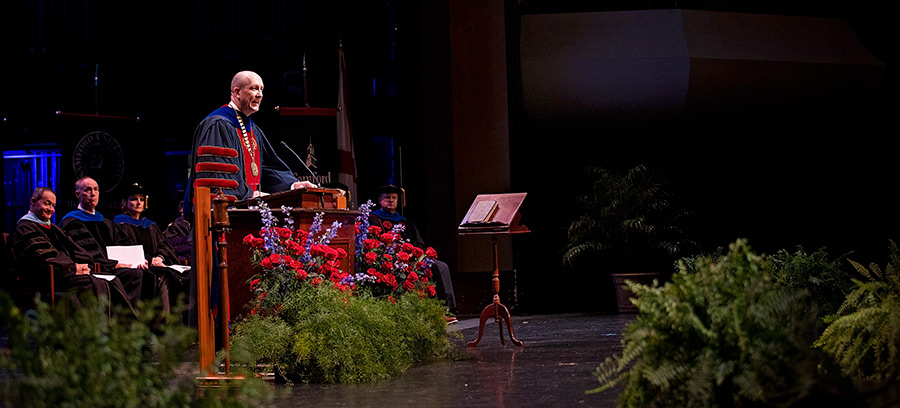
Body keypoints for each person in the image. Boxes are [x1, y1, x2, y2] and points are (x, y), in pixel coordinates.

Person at [186, 70, 316, 208]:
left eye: (261, 89)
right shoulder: (218, 125)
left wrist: (292, 185)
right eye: (254, 89)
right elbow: (220, 179)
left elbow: (266, 168)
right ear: (237, 92)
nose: (259, 95)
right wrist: (248, 195)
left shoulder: (253, 130)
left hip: (249, 215)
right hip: (221, 219)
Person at [12, 187, 136, 313]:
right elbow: (44, 256)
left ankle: (123, 325)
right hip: (47, 278)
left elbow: (77, 250)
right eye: (47, 203)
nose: (51, 210)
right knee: (95, 283)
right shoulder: (25, 228)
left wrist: (88, 265)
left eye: (53, 205)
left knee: (113, 280)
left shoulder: (53, 228)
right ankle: (99, 328)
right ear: (33, 201)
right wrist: (73, 268)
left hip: (64, 273)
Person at [369, 185, 458, 322]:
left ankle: (448, 309)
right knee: (432, 267)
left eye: (394, 198)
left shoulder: (404, 221)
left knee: (442, 266)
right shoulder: (374, 219)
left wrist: (413, 254)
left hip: (411, 258)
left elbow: (418, 242)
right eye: (387, 198)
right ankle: (437, 313)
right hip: (391, 259)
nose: (391, 200)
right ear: (380, 200)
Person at [57, 177, 148, 307]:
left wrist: (138, 260)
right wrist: (113, 265)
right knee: (133, 275)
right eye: (88, 190)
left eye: (96, 189)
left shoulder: (105, 222)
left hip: (113, 266)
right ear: (78, 194)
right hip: (95, 269)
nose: (93, 193)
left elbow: (123, 243)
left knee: (146, 273)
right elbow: (85, 252)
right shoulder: (72, 222)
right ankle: (122, 319)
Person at [114, 183, 190, 316]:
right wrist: (148, 260)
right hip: (137, 266)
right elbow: (125, 248)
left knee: (181, 276)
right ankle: (163, 323)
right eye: (134, 199)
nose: (139, 203)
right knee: (162, 276)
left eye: (141, 200)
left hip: (155, 264)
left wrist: (160, 257)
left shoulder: (150, 225)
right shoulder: (119, 225)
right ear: (124, 203)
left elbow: (164, 245)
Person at [164, 196, 192, 264]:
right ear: (181, 209)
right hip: (183, 262)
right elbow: (172, 248)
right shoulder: (175, 226)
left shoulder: (197, 224)